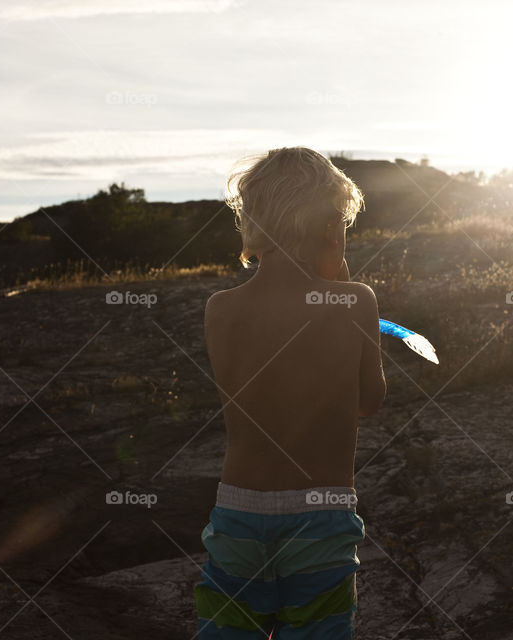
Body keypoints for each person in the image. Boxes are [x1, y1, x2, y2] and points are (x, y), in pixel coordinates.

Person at [194, 147, 386, 638]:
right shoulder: (354, 300)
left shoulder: (221, 309)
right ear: (329, 227)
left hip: (238, 513)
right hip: (320, 516)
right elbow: (369, 400)